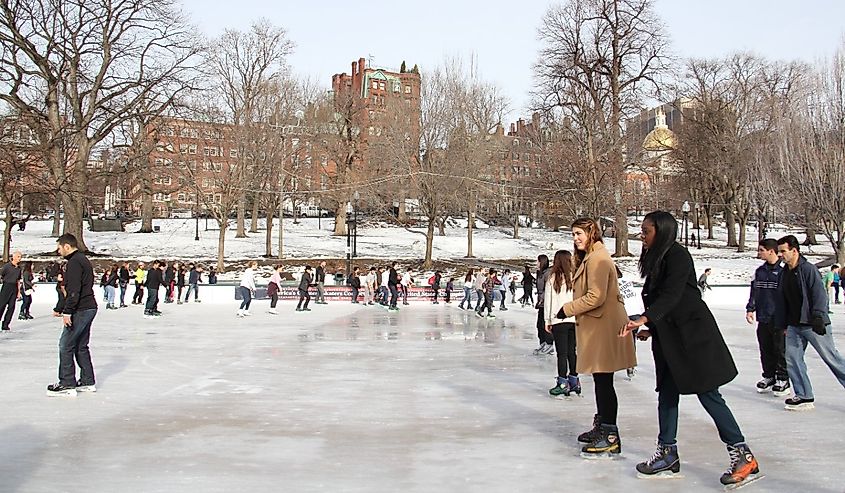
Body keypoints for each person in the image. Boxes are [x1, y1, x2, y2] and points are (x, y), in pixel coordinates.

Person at [622, 211, 758, 486]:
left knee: (708, 394)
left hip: (693, 337)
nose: (642, 235)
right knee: (668, 394)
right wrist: (652, 328)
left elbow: (673, 295)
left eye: (646, 230)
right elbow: (664, 298)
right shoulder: (657, 258)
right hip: (671, 337)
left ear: (661, 231)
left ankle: (741, 452)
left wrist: (645, 318)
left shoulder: (677, 255)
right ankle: (667, 452)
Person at [559, 218, 635, 458]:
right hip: (598, 325)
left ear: (592, 233)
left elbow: (596, 296)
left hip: (604, 326)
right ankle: (602, 426)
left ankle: (610, 434)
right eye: (573, 234)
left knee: (604, 381)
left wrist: (567, 309)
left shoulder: (599, 259)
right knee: (601, 380)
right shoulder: (591, 257)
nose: (576, 238)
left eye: (579, 233)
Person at [776, 235, 845, 411]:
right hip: (794, 324)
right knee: (792, 359)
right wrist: (783, 324)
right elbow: (783, 300)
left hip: (813, 323)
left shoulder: (808, 269)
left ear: (794, 250)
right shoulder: (784, 273)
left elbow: (819, 294)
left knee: (832, 359)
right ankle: (804, 396)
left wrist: (818, 317)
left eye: (783, 251)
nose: (780, 255)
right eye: (779, 252)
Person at [47, 233, 97, 397]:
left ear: (67, 246)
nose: (58, 251)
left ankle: (67, 383)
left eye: (59, 248)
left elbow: (74, 290)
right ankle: (87, 381)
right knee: (81, 346)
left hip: (81, 309)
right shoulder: (83, 260)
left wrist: (67, 311)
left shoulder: (75, 263)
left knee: (66, 344)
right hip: (89, 307)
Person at [745, 239, 789, 395]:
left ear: (771, 251)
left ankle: (783, 378)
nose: (759, 253)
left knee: (780, 350)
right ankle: (769, 376)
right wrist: (750, 309)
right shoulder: (760, 271)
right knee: (765, 349)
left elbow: (788, 296)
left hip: (778, 318)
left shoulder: (784, 271)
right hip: (763, 317)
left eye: (761, 250)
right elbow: (754, 292)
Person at [544, 250, 578, 397]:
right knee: (572, 351)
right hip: (573, 318)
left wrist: (547, 320)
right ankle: (574, 380)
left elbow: (548, 301)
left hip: (558, 319)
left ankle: (563, 382)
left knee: (562, 353)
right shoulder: (575, 278)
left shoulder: (553, 278)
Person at [533, 255, 554, 356]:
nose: (536, 263)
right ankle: (543, 343)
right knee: (539, 325)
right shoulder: (540, 273)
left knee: (544, 324)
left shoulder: (548, 273)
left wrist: (542, 299)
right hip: (541, 303)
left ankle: (549, 344)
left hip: (546, 303)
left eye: (537, 261)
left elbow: (548, 288)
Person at [0, 251, 22, 331]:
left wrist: (19, 292)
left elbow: (18, 280)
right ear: (14, 257)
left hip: (14, 287)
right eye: (18, 256)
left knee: (11, 307)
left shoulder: (19, 268)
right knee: (1, 305)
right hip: (6, 286)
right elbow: (1, 275)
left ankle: (6, 324)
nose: (20, 258)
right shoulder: (7, 266)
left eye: (20, 257)